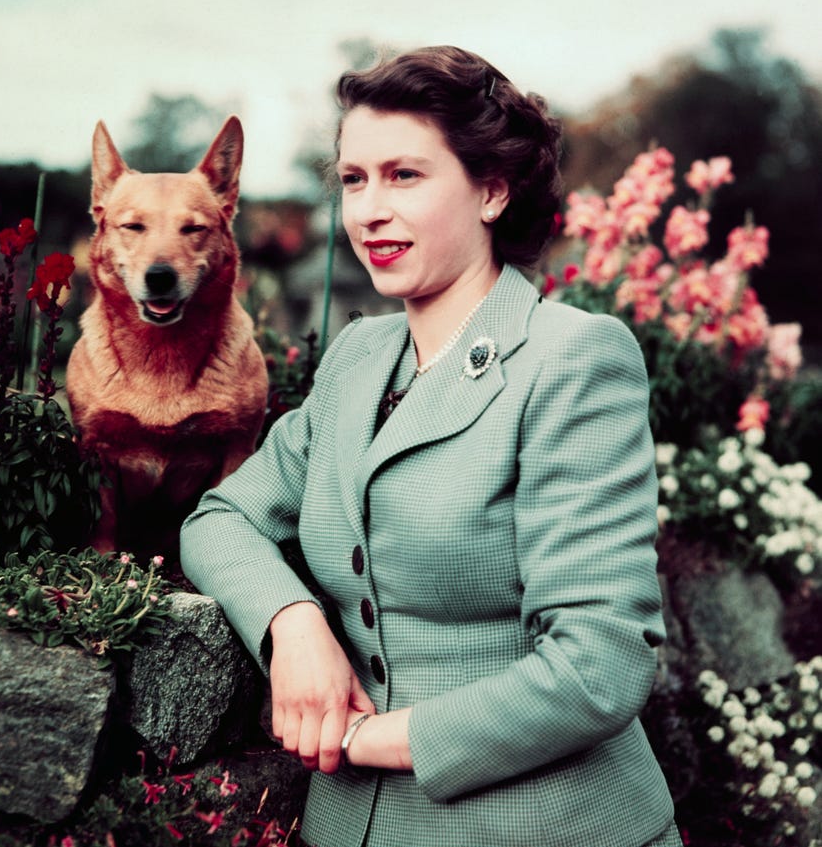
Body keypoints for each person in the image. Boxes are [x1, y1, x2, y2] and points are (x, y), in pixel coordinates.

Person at [180, 45, 682, 847]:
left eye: (404, 175)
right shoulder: (356, 358)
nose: (368, 209)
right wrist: (294, 622)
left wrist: (364, 738)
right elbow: (219, 518)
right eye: (353, 179)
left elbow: (600, 664)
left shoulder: (573, 357)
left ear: (490, 190)